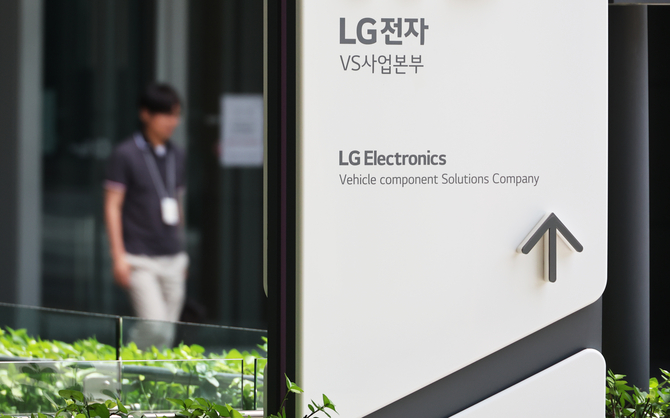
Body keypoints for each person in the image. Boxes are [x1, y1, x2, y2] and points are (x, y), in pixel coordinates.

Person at [104, 83, 188, 349]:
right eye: (166, 114)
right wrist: (118, 256)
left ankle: (151, 376)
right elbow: (112, 206)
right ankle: (125, 365)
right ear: (145, 114)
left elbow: (178, 203)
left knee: (166, 334)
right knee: (154, 325)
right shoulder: (125, 154)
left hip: (173, 257)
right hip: (139, 258)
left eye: (176, 115)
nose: (172, 122)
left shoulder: (177, 155)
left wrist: (182, 251)